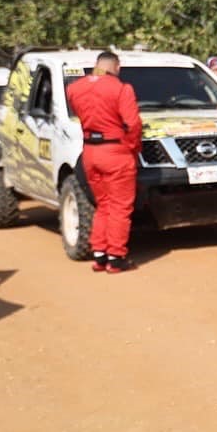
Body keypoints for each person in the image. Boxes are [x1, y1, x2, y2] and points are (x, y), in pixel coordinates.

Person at [66, 51, 142, 273]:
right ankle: (116, 257)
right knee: (119, 206)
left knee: (103, 205)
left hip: (90, 151)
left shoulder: (75, 88)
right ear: (116, 67)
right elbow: (133, 124)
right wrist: (132, 149)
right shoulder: (121, 88)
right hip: (116, 151)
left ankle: (99, 254)